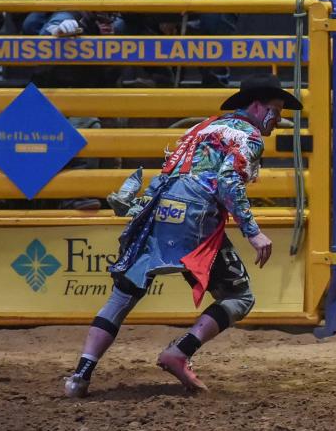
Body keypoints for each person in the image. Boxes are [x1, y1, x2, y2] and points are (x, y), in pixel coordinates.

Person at [63, 73, 302, 397]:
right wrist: (254, 232)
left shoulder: (199, 129)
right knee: (239, 297)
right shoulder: (250, 138)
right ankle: (179, 353)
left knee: (123, 296)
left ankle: (80, 376)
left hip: (162, 212)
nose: (278, 120)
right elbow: (228, 181)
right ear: (258, 107)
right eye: (276, 110)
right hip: (196, 219)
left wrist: (143, 209)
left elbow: (169, 172)